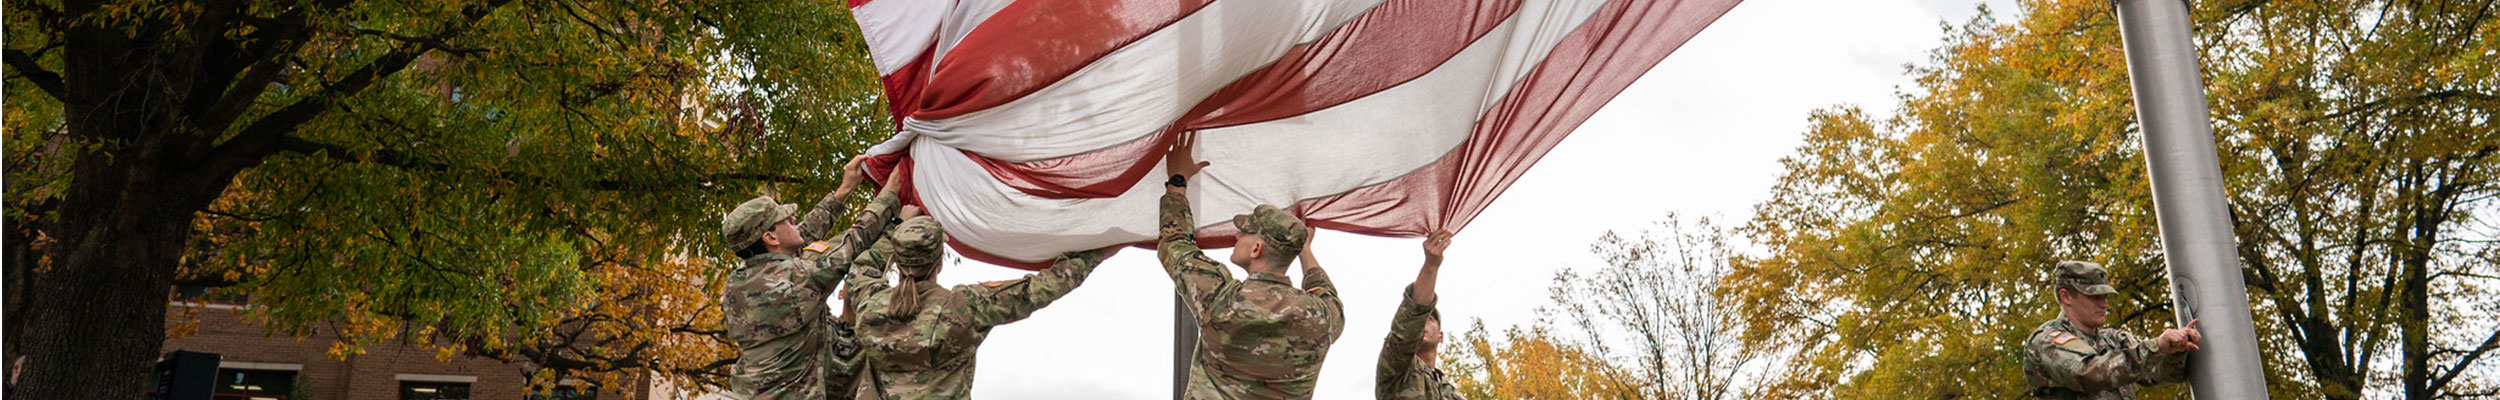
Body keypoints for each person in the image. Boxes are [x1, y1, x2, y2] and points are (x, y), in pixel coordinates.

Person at [843, 216, 1122, 399]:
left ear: (897, 261)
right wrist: (1098, 251)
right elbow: (1041, 288)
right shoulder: (964, 307)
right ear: (940, 261)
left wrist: (898, 223)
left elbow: (860, 267)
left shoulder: (869, 305)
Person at [1159, 131, 1346, 399]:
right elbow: (1323, 289)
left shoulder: (1222, 300)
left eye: (1244, 232)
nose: (1236, 236)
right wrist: (1304, 248)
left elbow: (1175, 243)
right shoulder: (1322, 319)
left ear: (1257, 248)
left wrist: (1177, 181)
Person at [720, 157, 909, 399]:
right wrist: (892, 194)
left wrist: (844, 191)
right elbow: (855, 240)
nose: (793, 220)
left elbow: (802, 238)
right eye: (785, 220)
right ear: (770, 238)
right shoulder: (797, 280)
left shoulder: (739, 283)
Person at [2021, 260, 2205, 400]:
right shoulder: (2047, 341)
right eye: (2095, 296)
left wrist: (2175, 350)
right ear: (2066, 296)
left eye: (2105, 296)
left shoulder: (2115, 340)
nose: (2105, 304)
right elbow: (2089, 373)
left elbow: (2159, 375)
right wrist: (2158, 346)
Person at [1375, 231, 1456, 400]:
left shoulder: (1451, 393)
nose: (1422, 323)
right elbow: (1410, 322)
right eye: (1421, 320)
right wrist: (1431, 265)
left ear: (1440, 336)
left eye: (1430, 319)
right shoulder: (1397, 368)